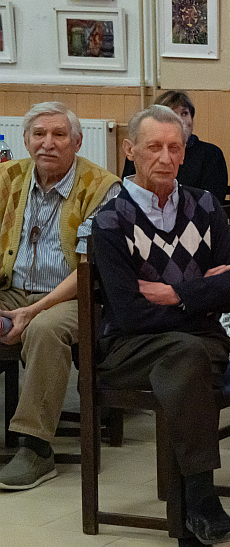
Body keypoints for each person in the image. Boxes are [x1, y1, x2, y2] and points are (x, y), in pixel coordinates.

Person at [92, 105, 230, 544]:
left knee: (187, 361)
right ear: (130, 150)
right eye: (154, 147)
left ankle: (195, 507)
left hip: (200, 343)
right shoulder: (110, 221)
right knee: (189, 358)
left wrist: (179, 293)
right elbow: (130, 314)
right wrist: (205, 293)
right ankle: (201, 501)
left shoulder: (205, 204)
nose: (165, 157)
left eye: (174, 148)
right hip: (130, 349)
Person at [0, 102, 120, 491]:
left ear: (77, 142)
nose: (47, 143)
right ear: (26, 140)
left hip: (75, 297)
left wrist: (32, 311)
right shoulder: (8, 178)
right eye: (39, 134)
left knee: (44, 329)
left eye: (59, 135)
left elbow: (88, 267)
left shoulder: (102, 187)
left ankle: (35, 449)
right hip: (11, 289)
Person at [122, 90, 229, 204]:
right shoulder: (140, 151)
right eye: (171, 114)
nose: (180, 120)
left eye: (184, 113)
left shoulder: (211, 154)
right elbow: (128, 193)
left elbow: (211, 202)